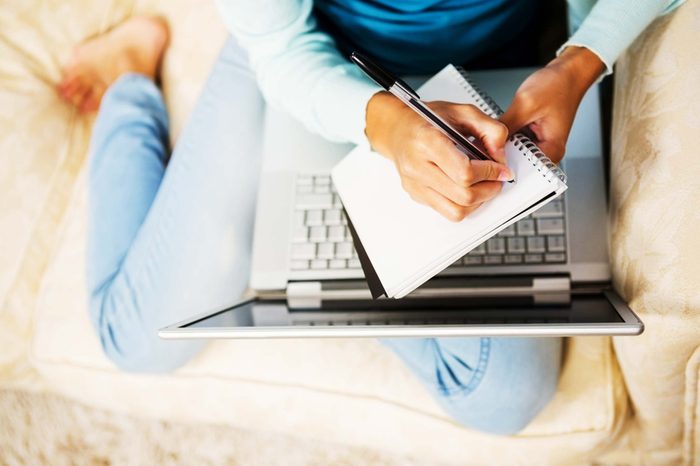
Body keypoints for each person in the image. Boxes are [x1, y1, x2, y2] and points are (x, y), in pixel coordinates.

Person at [58, 0, 683, 435]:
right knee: (136, 341)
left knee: (505, 396)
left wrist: (578, 63)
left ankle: (316, 257)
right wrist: (377, 121)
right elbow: (280, 48)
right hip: (316, 62)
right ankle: (128, 79)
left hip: (502, 77)